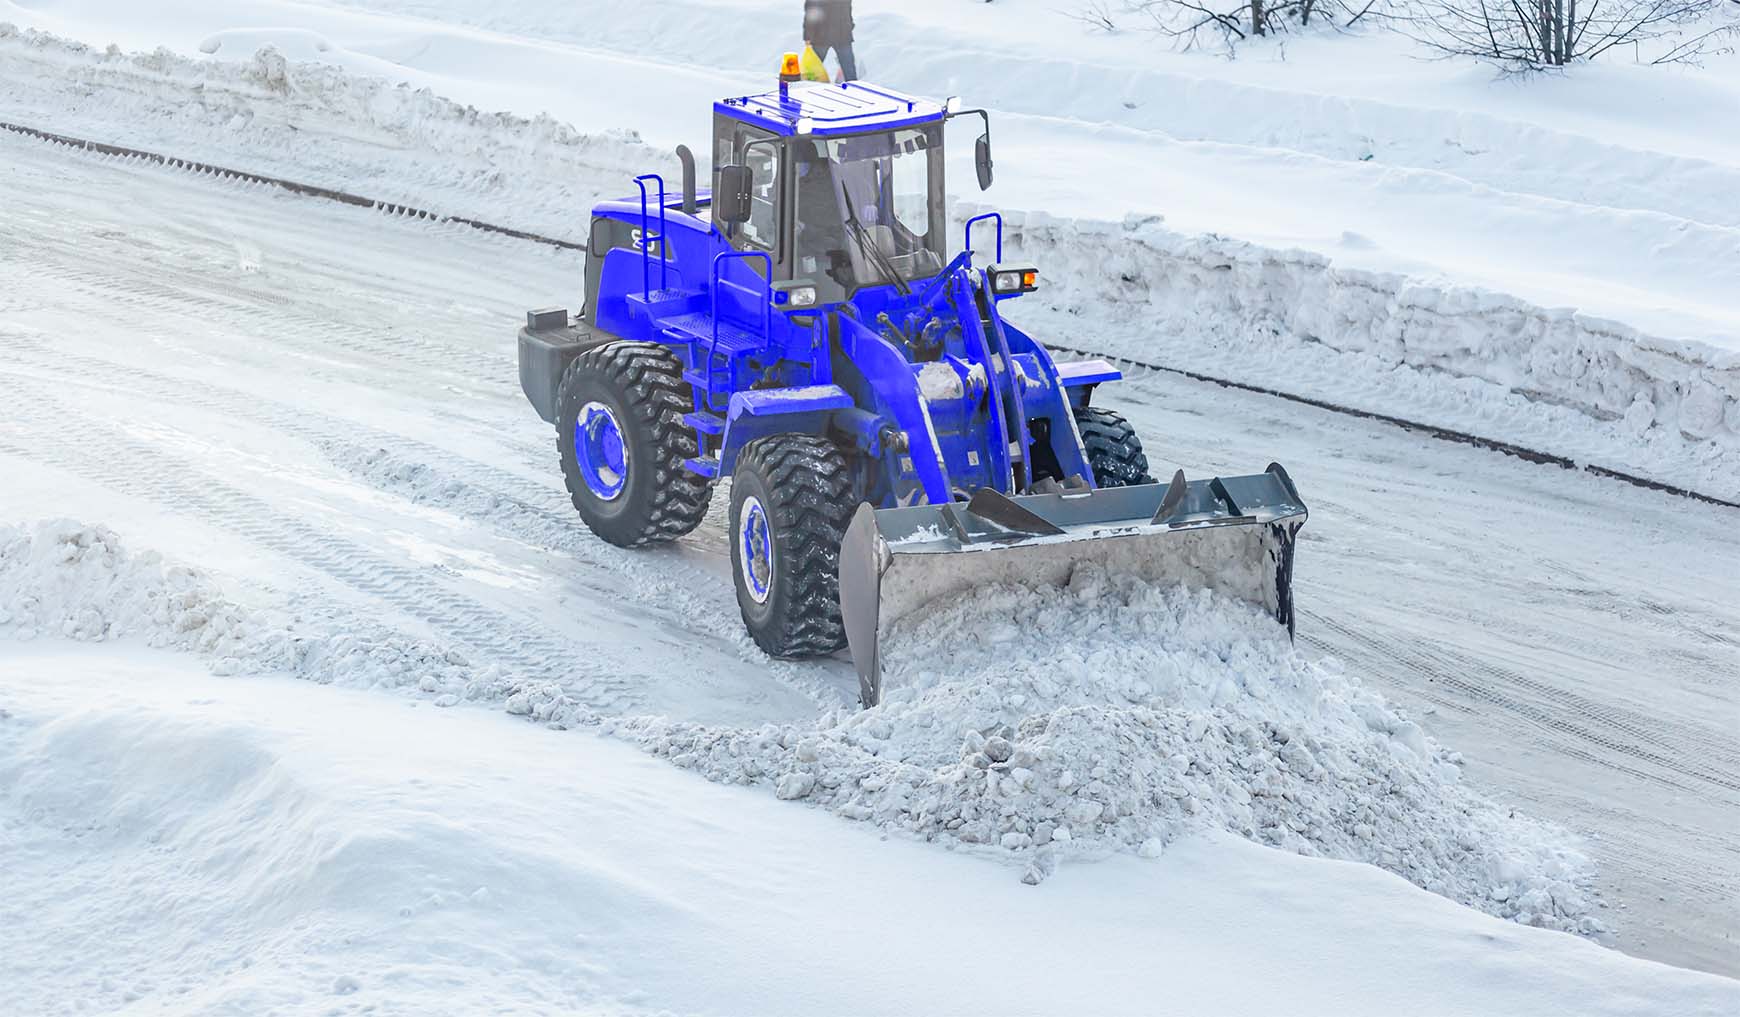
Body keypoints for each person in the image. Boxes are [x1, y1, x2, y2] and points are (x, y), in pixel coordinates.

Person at [803, 0, 857, 81]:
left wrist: (807, 36)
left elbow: (810, 14)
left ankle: (808, 87)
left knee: (813, 68)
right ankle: (853, 89)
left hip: (823, 36)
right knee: (849, 69)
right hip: (837, 35)